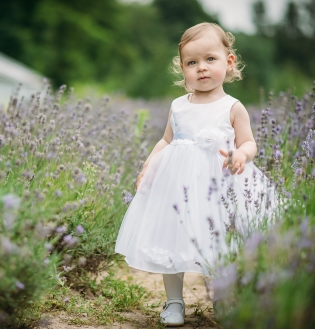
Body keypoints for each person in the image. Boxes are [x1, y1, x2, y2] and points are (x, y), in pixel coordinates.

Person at [115, 22, 277, 327]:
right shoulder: (178, 106)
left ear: (228, 62)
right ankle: (174, 301)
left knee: (220, 241)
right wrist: (148, 166)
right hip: (177, 186)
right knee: (170, 240)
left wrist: (241, 154)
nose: (201, 68)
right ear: (182, 69)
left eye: (210, 59)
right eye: (192, 63)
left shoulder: (233, 107)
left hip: (221, 186)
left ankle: (223, 296)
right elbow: (166, 140)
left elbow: (249, 142)